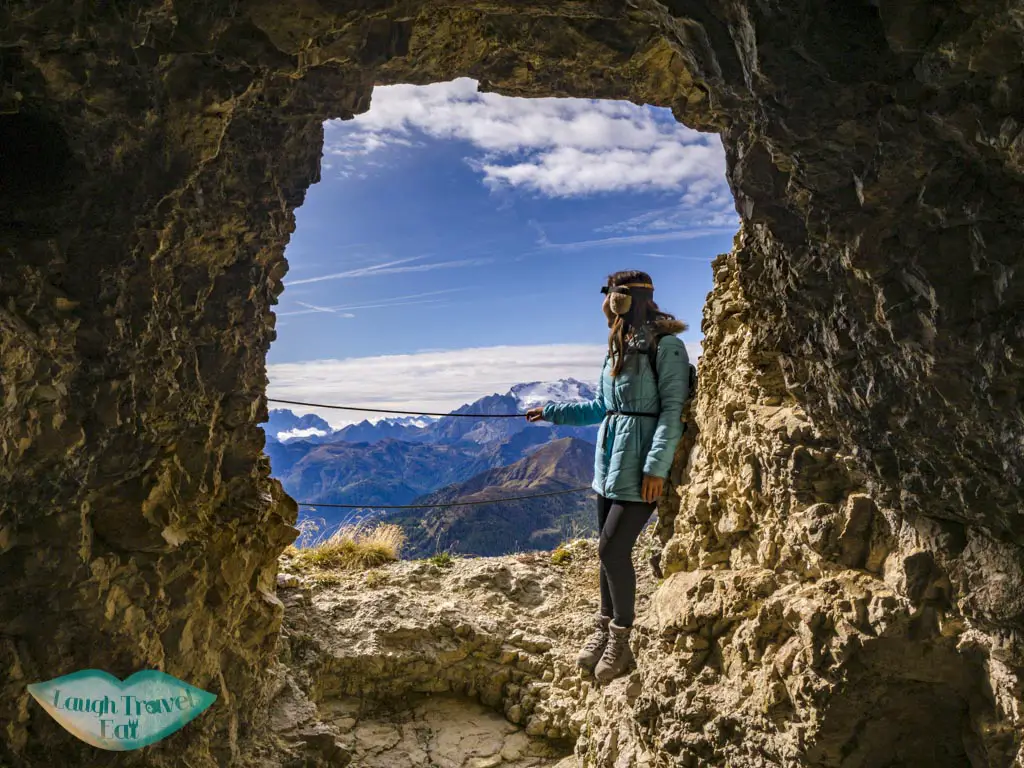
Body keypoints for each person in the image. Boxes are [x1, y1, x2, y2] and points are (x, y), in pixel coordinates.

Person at [526, 270, 689, 683]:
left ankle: (621, 635)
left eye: (613, 299)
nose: (607, 308)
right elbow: (601, 405)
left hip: (640, 463)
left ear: (626, 301)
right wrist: (552, 412)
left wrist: (657, 465)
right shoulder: (618, 347)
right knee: (605, 550)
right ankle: (603, 627)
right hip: (610, 461)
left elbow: (673, 411)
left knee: (612, 551)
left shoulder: (666, 347)